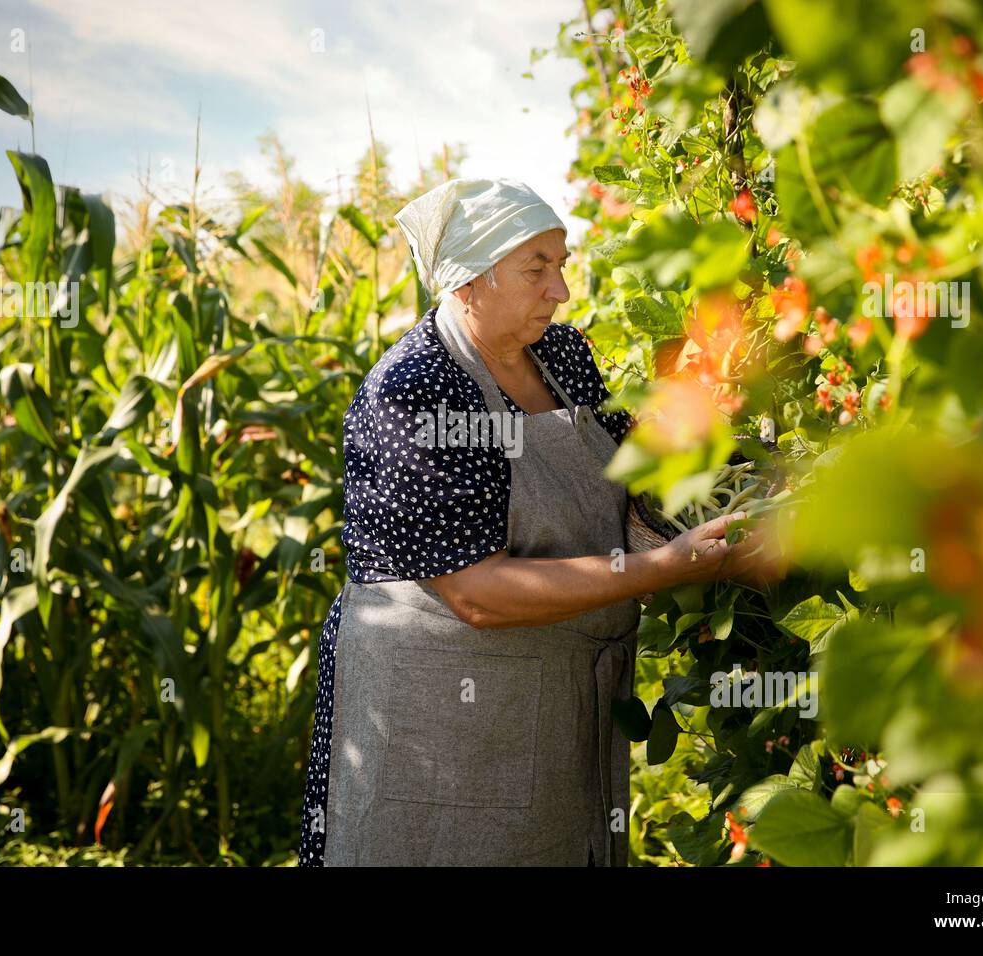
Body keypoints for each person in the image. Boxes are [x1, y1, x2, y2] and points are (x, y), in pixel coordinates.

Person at [298, 177, 770, 866]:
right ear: (466, 284)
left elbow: (634, 459)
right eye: (536, 269)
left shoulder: (563, 356)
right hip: (439, 713)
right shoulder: (419, 388)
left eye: (562, 263)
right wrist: (662, 569)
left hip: (550, 700)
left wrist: (748, 472)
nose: (561, 291)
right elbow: (475, 593)